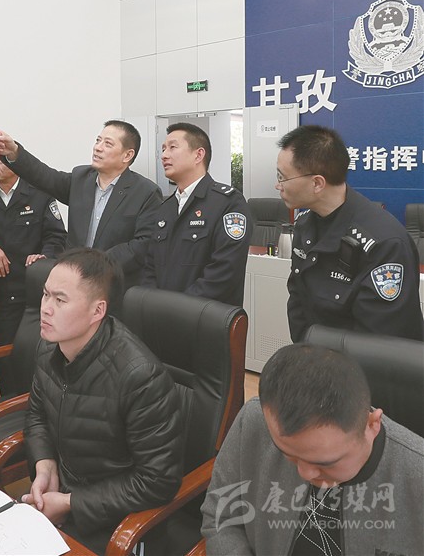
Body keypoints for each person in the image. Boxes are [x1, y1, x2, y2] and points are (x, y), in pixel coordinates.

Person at [23, 249, 183, 554]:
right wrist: (45, 466)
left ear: (98, 311)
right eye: (45, 295)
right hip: (63, 497)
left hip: (121, 520)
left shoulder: (140, 377)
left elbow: (157, 481)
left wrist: (70, 503)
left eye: (60, 300)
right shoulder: (49, 347)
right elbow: (37, 415)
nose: (45, 308)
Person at [201, 344, 424, 555]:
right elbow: (220, 517)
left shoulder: (417, 474)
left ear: (372, 425)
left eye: (325, 463)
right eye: (288, 454)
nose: (305, 473)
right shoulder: (256, 423)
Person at [276, 125, 423, 341]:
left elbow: (380, 341)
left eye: (282, 177)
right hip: (314, 354)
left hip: (364, 360)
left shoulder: (385, 243)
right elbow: (298, 299)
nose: (277, 185)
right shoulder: (304, 224)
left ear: (317, 183)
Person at [0, 120, 162, 286]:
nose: (98, 148)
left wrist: (96, 265)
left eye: (108, 144)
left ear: (127, 155)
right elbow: (44, 176)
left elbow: (142, 244)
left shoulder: (145, 192)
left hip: (114, 283)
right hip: (75, 281)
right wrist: (14, 152)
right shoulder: (81, 178)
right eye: (98, 140)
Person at [0, 150, 67, 394]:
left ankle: (41, 399)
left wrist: (44, 256)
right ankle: (9, 402)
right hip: (4, 291)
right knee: (6, 354)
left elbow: (57, 236)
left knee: (40, 353)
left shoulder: (40, 194)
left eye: (0, 159)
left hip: (35, 291)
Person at [139, 123, 251, 306]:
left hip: (204, 315)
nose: (164, 155)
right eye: (163, 149)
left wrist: (179, 306)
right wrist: (153, 302)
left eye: (172, 147)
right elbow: (150, 265)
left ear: (198, 155)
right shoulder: (165, 208)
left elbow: (225, 271)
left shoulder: (228, 203)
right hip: (161, 313)